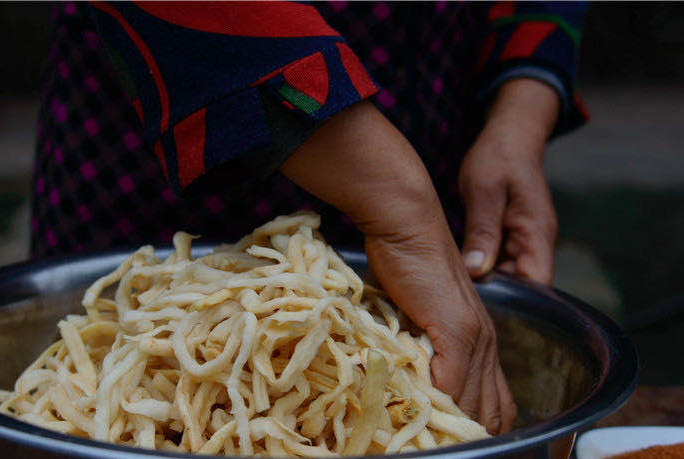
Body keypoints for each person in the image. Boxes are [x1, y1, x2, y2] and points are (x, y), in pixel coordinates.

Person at [32, 2, 588, 435]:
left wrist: (520, 111)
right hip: (163, 123)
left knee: (399, 380)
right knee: (123, 373)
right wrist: (403, 206)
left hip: (433, 97)